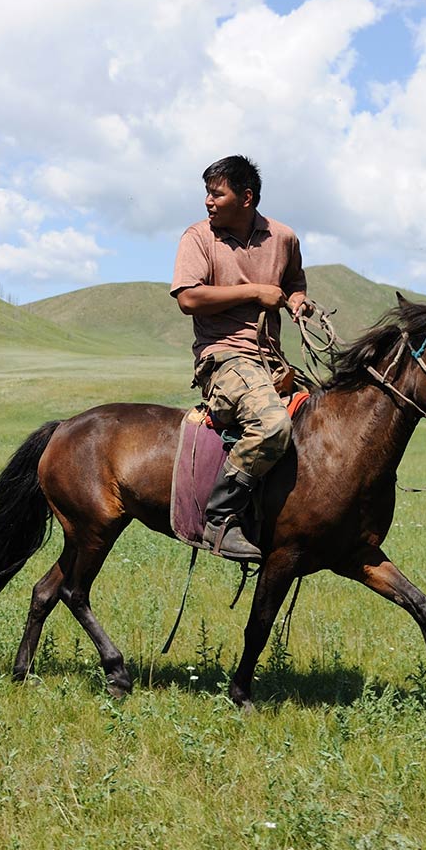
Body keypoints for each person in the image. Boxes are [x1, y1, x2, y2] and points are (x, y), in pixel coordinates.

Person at [170, 155, 312, 558]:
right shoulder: (198, 237)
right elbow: (188, 298)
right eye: (208, 193)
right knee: (271, 426)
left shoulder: (283, 238)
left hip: (274, 361)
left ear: (246, 198)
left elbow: (295, 282)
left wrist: (298, 301)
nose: (208, 202)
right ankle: (220, 519)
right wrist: (254, 292)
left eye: (217, 194)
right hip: (224, 358)